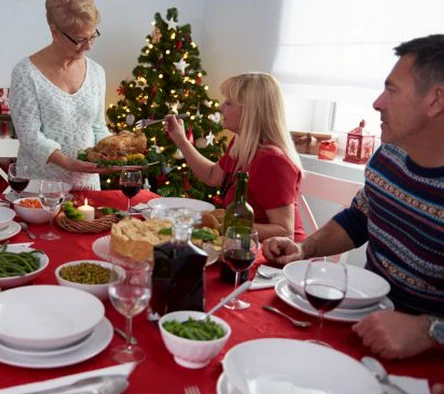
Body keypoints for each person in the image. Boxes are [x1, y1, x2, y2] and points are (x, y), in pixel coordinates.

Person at [263, 34, 444, 360]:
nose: (377, 102)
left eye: (392, 90)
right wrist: (303, 249)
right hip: (364, 323)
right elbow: (360, 217)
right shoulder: (389, 153)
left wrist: (429, 330)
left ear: (435, 100)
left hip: (427, 357)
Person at [165, 72, 305, 241]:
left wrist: (224, 225)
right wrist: (181, 140)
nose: (221, 107)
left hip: (276, 259)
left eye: (229, 103)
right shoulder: (241, 144)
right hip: (241, 245)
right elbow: (211, 176)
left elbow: (284, 232)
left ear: (251, 111)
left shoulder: (272, 160)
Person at [9, 0, 112, 190]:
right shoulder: (25, 73)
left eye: (92, 36)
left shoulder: (97, 72)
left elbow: (98, 126)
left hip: (87, 187)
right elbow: (30, 137)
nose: (89, 46)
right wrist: (69, 163)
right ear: (54, 31)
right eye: (80, 40)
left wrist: (112, 155)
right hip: (38, 190)